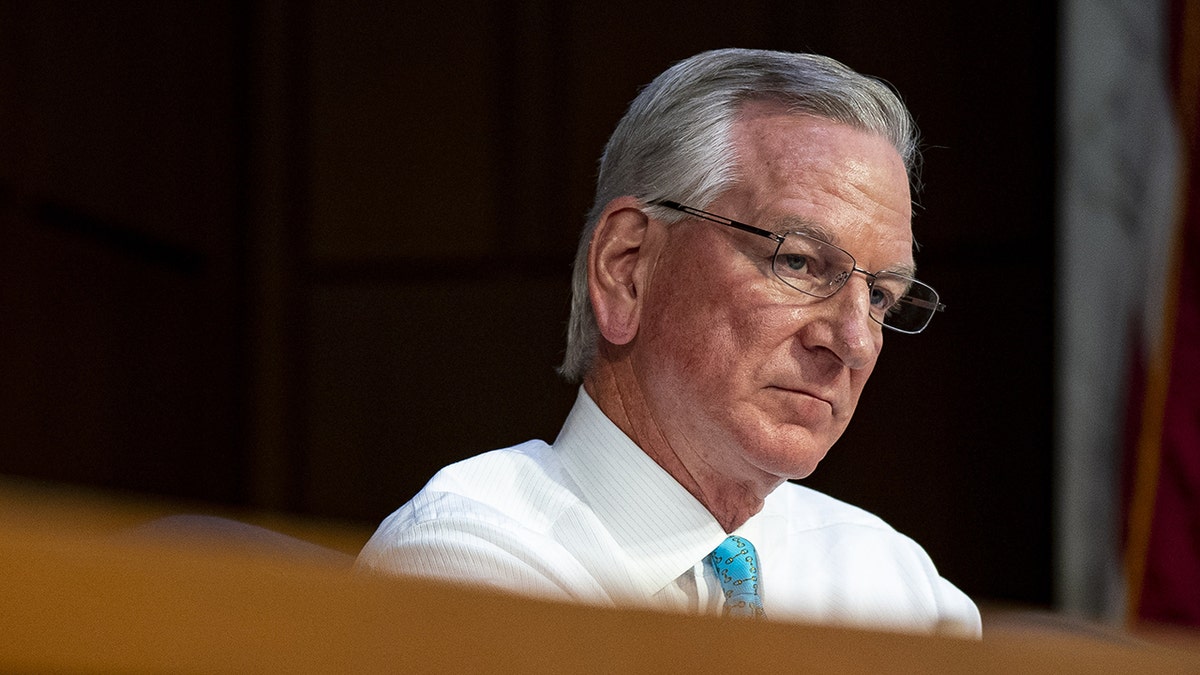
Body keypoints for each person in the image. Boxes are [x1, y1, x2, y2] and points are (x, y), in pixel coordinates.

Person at [357, 48, 981, 636]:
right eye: (798, 263)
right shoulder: (469, 558)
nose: (853, 341)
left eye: (879, 297)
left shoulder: (897, 587)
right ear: (627, 267)